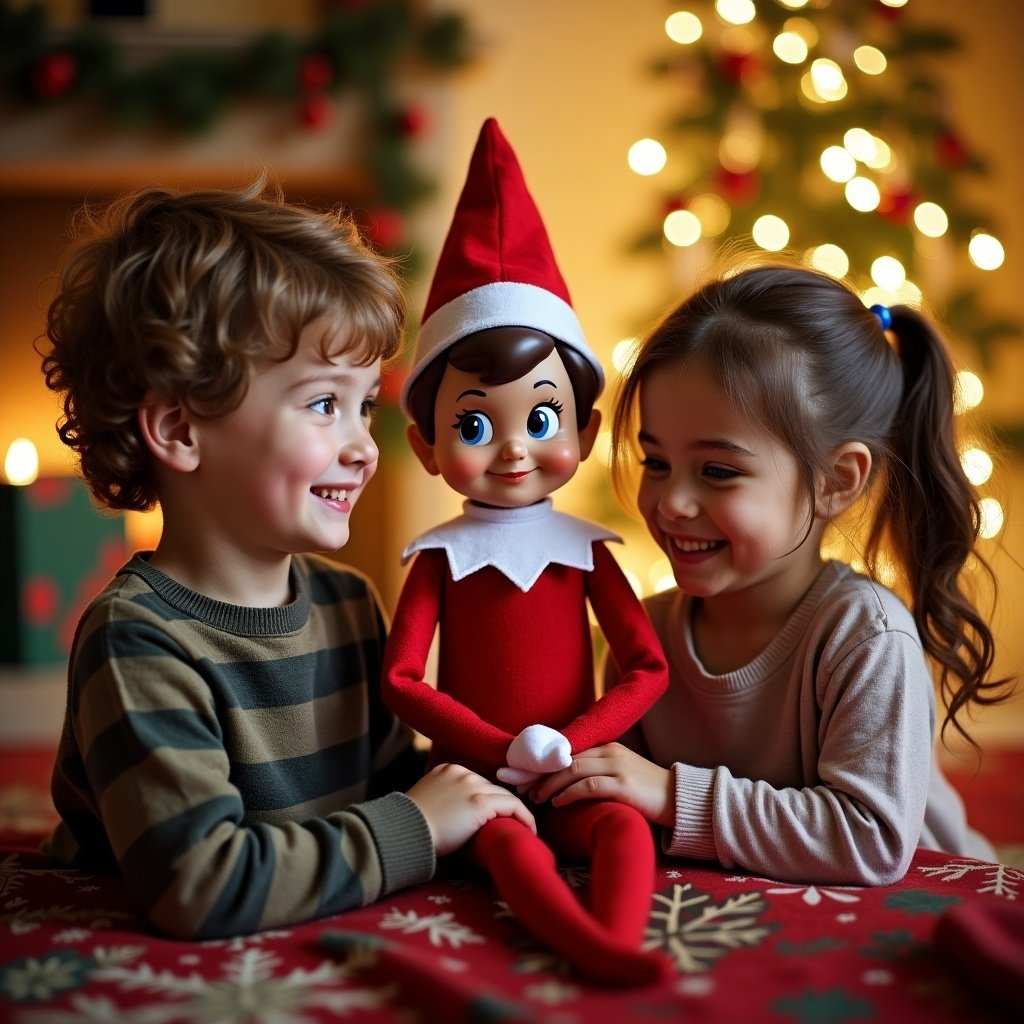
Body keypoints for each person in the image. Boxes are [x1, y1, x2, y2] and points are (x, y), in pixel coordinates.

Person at [37, 177, 535, 941]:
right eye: (323, 403)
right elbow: (198, 885)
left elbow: (392, 786)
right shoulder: (138, 640)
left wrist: (497, 781)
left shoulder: (349, 603)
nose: (364, 446)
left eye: (365, 404)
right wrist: (417, 826)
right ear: (179, 429)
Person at [533, 262, 1014, 886]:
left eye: (718, 471)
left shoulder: (867, 639)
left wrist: (674, 795)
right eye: (656, 461)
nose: (672, 502)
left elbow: (870, 841)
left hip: (930, 904)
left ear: (836, 481)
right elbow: (627, 802)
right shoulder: (643, 635)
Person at [381, 119, 671, 985]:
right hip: (478, 776)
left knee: (623, 827)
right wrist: (497, 750)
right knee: (506, 847)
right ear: (427, 446)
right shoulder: (438, 556)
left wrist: (577, 744)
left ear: (581, 432)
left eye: (538, 419)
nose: (511, 450)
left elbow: (645, 667)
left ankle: (617, 941)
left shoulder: (587, 551)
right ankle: (574, 943)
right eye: (474, 424)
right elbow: (402, 679)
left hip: (572, 762)